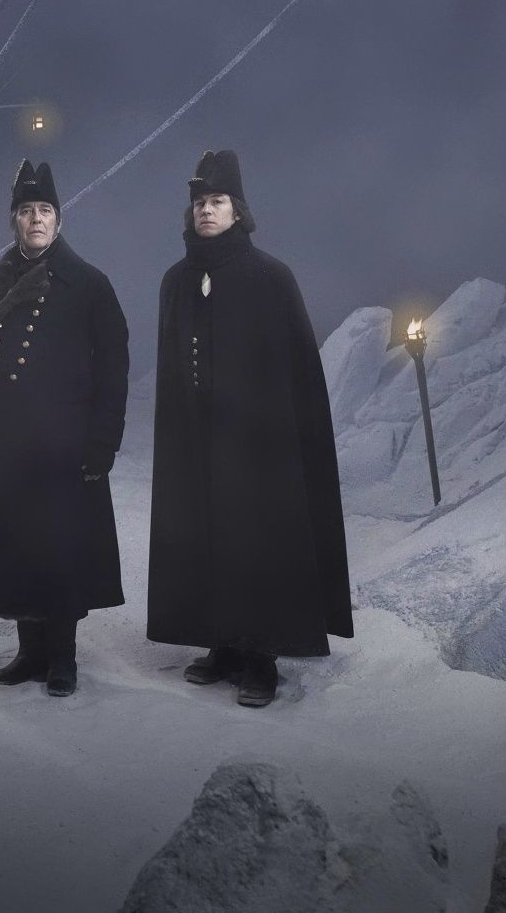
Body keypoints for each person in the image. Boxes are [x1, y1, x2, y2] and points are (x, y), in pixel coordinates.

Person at [146, 149, 354, 707]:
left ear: (238, 210)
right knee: (206, 537)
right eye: (198, 203)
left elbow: (297, 372)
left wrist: (277, 441)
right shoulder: (175, 283)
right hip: (196, 443)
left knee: (255, 542)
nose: (206, 212)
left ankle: (260, 656)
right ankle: (224, 646)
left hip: (258, 447)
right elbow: (171, 370)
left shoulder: (271, 277)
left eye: (217, 202)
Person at [0, 161, 130, 697]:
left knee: (59, 549)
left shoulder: (89, 284)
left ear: (59, 220)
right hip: (4, 442)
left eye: (44, 211)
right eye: (26, 211)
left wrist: (102, 440)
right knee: (15, 546)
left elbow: (113, 370)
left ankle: (63, 659)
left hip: (61, 443)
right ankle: (29, 653)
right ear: (14, 222)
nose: (35, 220)